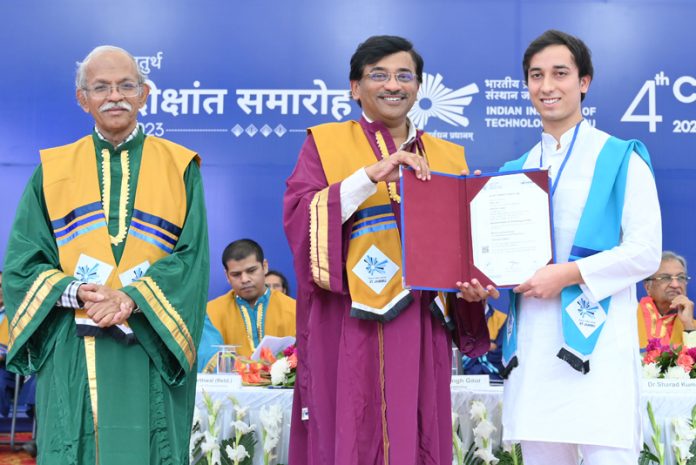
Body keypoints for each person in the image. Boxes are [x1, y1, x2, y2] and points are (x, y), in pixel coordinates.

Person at [283, 35, 488, 465]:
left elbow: (466, 250)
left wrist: (475, 283)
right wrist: (367, 177)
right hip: (347, 322)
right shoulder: (325, 143)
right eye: (378, 75)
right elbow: (300, 219)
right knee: (348, 429)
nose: (392, 85)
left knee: (418, 430)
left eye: (404, 76)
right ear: (354, 88)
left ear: (418, 86)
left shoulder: (449, 157)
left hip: (419, 323)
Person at [458, 30, 661, 465]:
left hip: (598, 356)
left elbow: (645, 252)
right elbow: (508, 274)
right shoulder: (513, 172)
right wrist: (487, 289)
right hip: (532, 358)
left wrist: (566, 274)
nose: (547, 86)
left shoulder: (621, 156)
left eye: (560, 74)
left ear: (584, 81)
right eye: (536, 76)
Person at [1, 45, 208, 465]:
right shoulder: (53, 170)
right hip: (73, 342)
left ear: (144, 93)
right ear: (83, 99)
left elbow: (191, 259)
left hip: (151, 338)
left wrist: (131, 297)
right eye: (101, 87)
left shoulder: (180, 166)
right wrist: (78, 292)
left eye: (126, 85)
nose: (115, 95)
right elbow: (22, 265)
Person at [205, 239, 296, 360]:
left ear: (264, 267)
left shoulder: (294, 309)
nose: (244, 279)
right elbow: (207, 357)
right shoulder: (211, 312)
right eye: (236, 274)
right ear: (227, 276)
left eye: (251, 271)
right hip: (234, 378)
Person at [638, 251, 694, 349]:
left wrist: (688, 325)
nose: (675, 285)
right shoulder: (629, 317)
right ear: (648, 287)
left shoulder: (692, 325)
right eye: (665, 278)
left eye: (681, 278)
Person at [461, 303, 507, 380]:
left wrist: (473, 347)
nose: (478, 292)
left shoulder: (502, 319)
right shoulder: (459, 318)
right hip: (463, 378)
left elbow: (501, 353)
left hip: (494, 379)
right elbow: (457, 352)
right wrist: (488, 346)